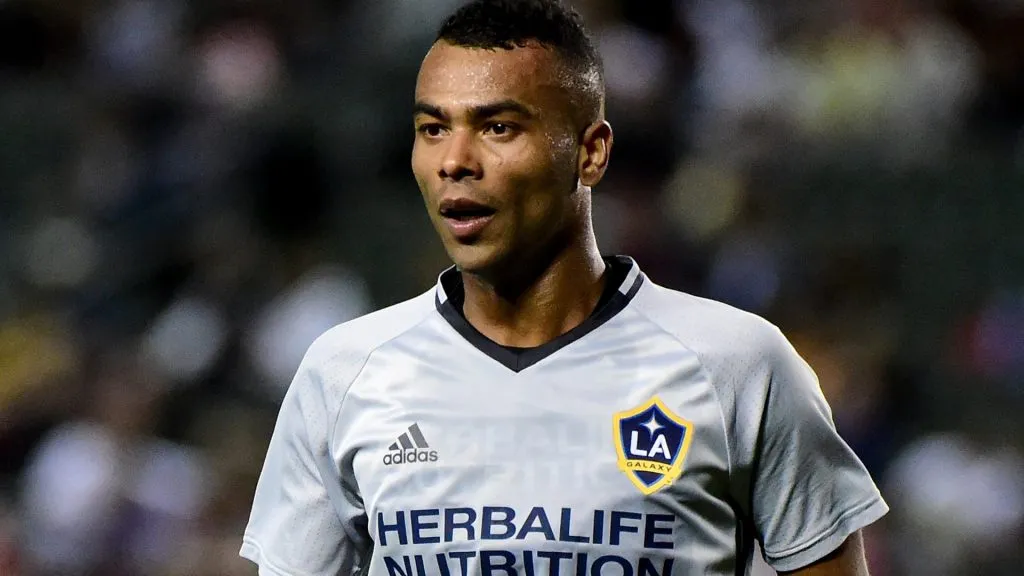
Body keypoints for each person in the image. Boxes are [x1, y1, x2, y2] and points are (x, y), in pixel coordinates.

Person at [240, 1, 888, 574]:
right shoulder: (344, 371)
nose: (455, 160)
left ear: (590, 152)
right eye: (433, 128)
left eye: (498, 127)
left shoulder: (739, 365)